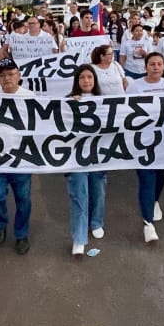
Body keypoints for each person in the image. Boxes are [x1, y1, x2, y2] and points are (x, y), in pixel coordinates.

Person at [125, 53, 164, 242]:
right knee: (146, 179)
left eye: (159, 64)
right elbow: (125, 112)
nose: (156, 67)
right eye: (152, 64)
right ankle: (148, 223)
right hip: (142, 141)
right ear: (145, 66)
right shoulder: (135, 87)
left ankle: (155, 201)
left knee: (160, 176)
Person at [0, 59, 34, 254]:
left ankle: (21, 234)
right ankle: (0, 224)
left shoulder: (30, 97)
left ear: (19, 76)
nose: (7, 79)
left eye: (11, 74)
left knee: (23, 199)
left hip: (21, 159)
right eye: (2, 75)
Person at [65, 65, 108, 257]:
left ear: (95, 80)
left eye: (90, 77)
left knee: (98, 192)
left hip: (99, 156)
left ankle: (96, 222)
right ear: (77, 81)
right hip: (76, 157)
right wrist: (70, 107)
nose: (86, 81)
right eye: (82, 77)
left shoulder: (105, 101)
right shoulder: (68, 101)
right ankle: (79, 238)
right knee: (79, 195)